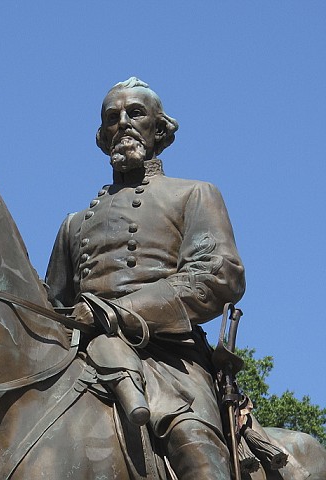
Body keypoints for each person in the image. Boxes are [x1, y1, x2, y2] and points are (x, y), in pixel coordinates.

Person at [45, 77, 246, 479]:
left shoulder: (194, 193)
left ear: (159, 129)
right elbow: (52, 306)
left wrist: (116, 313)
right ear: (102, 136)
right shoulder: (73, 224)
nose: (122, 122)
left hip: (170, 361)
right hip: (84, 356)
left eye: (135, 113)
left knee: (198, 454)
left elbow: (217, 276)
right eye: (112, 117)